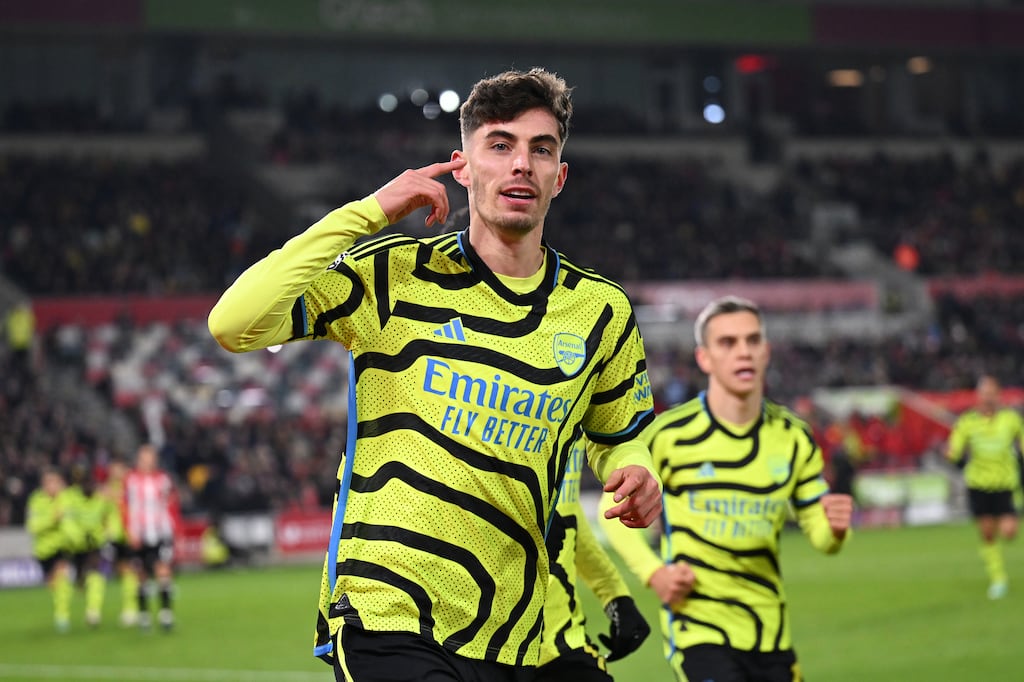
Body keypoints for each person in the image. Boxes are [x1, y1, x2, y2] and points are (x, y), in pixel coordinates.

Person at [208, 67, 662, 682]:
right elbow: (234, 322)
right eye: (500, 146)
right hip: (386, 615)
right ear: (463, 166)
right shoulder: (391, 275)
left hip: (518, 635)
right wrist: (368, 212)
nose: (521, 164)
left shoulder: (600, 311)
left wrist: (635, 469)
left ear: (560, 176)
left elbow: (618, 434)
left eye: (541, 150)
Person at [599, 296, 853, 682]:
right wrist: (654, 574)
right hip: (698, 630)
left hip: (770, 631)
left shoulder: (793, 437)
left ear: (766, 351)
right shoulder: (670, 434)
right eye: (728, 343)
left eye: (752, 341)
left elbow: (819, 534)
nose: (743, 352)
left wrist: (833, 529)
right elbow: (612, 508)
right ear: (705, 358)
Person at [536, 440, 650, 682]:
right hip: (477, 646)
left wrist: (614, 594)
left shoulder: (580, 421)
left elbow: (566, 513)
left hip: (562, 641)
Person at [946, 374, 1024, 600]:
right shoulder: (967, 422)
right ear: (978, 396)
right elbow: (955, 450)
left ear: (998, 395)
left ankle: (1002, 530)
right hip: (978, 484)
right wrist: (952, 455)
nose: (988, 398)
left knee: (1009, 532)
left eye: (992, 393)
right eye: (984, 393)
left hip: (1004, 483)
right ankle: (998, 578)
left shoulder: (1011, 419)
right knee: (988, 533)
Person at [124, 443, 179, 631]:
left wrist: (174, 528)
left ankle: (166, 615)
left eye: (151, 457)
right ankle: (144, 615)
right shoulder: (130, 480)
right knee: (142, 575)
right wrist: (130, 531)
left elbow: (171, 504)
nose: (149, 461)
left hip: (161, 532)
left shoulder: (163, 479)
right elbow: (126, 507)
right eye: (145, 457)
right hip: (139, 534)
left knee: (163, 571)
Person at [25, 468, 80, 632]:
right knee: (54, 585)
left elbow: (75, 517)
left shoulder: (66, 498)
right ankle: (68, 597)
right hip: (43, 551)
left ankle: (62, 616)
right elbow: (33, 527)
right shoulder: (36, 501)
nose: (52, 486)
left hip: (63, 547)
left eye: (55, 482)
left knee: (62, 577)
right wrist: (52, 519)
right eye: (49, 483)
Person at [64, 467, 112, 627]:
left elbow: (108, 516)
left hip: (94, 545)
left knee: (95, 575)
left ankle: (93, 612)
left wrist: (104, 534)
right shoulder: (69, 497)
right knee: (80, 582)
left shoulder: (101, 498)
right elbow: (67, 522)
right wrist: (79, 537)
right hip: (75, 547)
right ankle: (80, 593)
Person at [101, 458, 141, 626]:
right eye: (113, 469)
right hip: (115, 536)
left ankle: (131, 609)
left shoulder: (131, 487)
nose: (115, 472)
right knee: (123, 572)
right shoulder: (106, 490)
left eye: (119, 469)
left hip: (130, 534)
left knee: (130, 571)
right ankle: (131, 607)